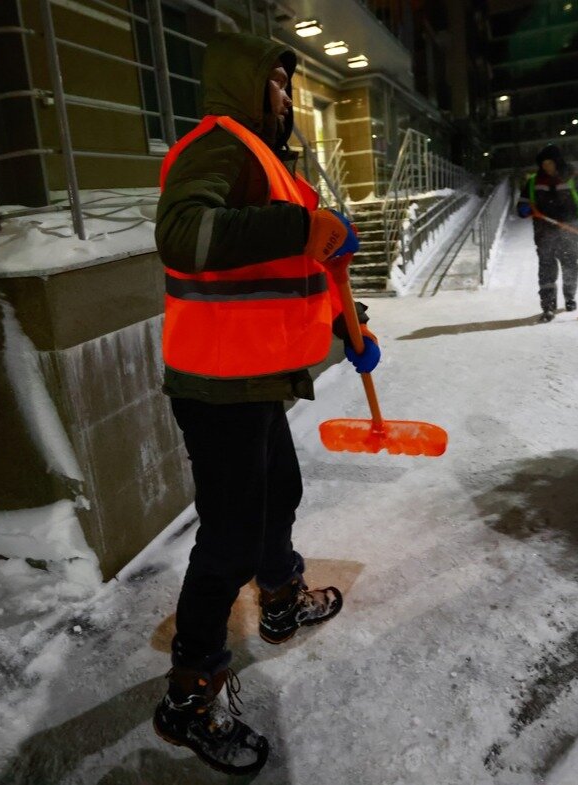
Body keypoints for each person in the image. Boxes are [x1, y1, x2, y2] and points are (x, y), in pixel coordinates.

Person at [151, 31, 380, 775]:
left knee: (280, 490)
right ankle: (189, 697)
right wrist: (302, 225)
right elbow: (182, 234)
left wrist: (351, 327)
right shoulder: (217, 146)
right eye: (277, 84)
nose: (286, 97)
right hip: (217, 389)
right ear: (245, 86)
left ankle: (279, 600)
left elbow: (295, 273)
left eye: (287, 85)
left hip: (253, 382)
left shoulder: (266, 161)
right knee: (227, 542)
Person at [516, 144, 578, 322]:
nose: (546, 167)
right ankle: (548, 307)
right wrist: (524, 209)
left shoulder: (572, 178)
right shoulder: (534, 182)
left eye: (550, 163)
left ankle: (569, 297)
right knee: (546, 270)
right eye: (543, 164)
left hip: (569, 230)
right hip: (544, 233)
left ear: (557, 162)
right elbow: (522, 203)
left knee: (570, 266)